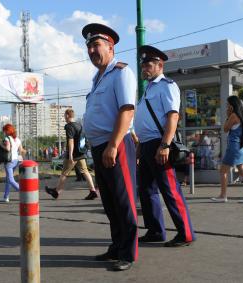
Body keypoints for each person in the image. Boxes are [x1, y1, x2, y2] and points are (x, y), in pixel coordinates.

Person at [82, 23, 137, 271]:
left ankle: (128, 252)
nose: (92, 50)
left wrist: (113, 145)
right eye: (89, 46)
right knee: (110, 203)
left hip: (115, 144)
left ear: (111, 47)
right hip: (100, 146)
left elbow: (126, 110)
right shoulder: (98, 78)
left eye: (97, 45)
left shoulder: (121, 72)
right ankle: (117, 246)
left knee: (123, 200)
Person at [134, 45, 196, 247]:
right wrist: (140, 146)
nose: (144, 68)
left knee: (170, 189)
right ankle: (155, 231)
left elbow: (173, 116)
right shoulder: (149, 88)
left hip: (159, 144)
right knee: (146, 190)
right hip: (146, 146)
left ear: (160, 65)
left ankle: (185, 233)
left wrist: (165, 145)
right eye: (143, 65)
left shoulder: (167, 85)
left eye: (148, 65)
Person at [45, 109, 98, 200]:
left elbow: (71, 141)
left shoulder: (69, 126)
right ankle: (93, 191)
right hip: (81, 153)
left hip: (73, 154)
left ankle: (57, 192)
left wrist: (70, 155)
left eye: (64, 115)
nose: (64, 118)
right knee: (85, 171)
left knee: (64, 173)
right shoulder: (79, 125)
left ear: (67, 115)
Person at [211, 95, 243, 203]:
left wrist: (228, 115)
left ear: (232, 105)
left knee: (223, 171)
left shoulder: (233, 115)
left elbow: (225, 129)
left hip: (234, 148)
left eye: (227, 104)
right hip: (242, 147)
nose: (226, 106)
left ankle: (223, 196)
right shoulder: (242, 116)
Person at [0, 124, 25, 202]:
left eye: (4, 131)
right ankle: (5, 197)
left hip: (9, 161)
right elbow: (21, 150)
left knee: (10, 179)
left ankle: (23, 191)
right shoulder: (17, 139)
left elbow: (7, 148)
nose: (3, 132)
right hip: (16, 161)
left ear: (7, 131)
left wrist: (0, 144)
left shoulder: (7, 138)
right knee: (8, 179)